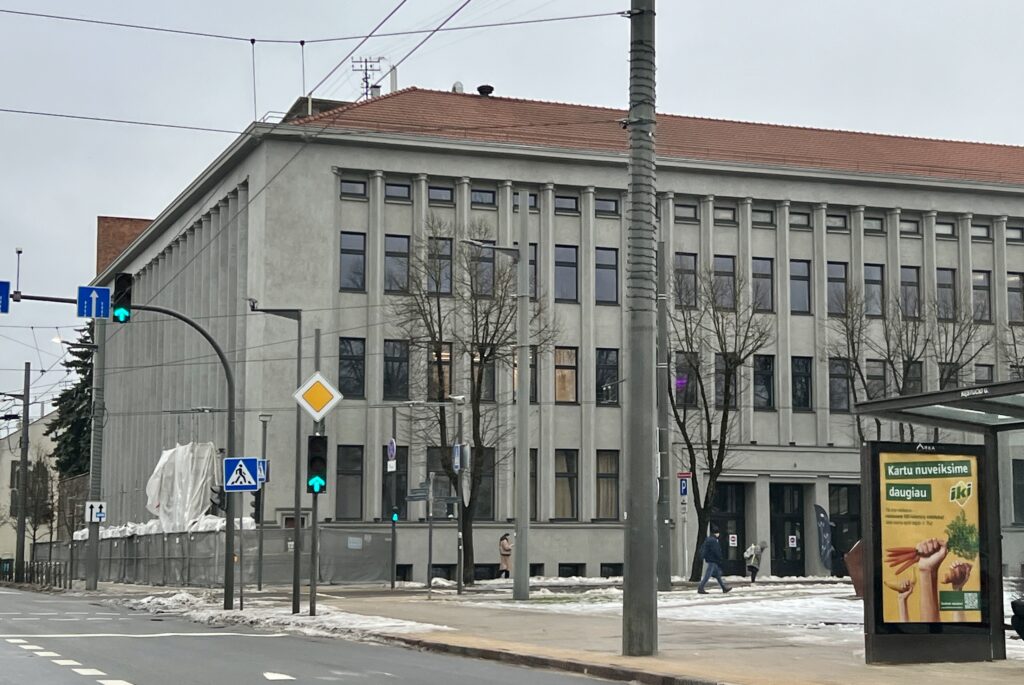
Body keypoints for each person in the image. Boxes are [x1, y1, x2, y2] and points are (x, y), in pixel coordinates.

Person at [697, 529, 731, 594]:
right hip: (712, 560)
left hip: (710, 559)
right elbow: (716, 550)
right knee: (708, 575)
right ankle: (700, 588)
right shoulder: (713, 540)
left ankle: (724, 588)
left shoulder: (709, 539)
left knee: (718, 575)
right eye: (718, 533)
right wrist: (720, 558)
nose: (719, 535)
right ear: (716, 533)